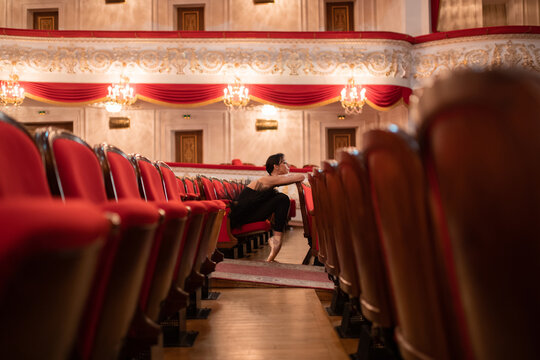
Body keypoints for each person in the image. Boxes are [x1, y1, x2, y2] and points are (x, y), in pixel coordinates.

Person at [230, 153, 305, 262]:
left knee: (281, 198)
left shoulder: (271, 180)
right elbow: (301, 177)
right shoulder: (268, 180)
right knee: (282, 198)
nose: (288, 165)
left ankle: (276, 240)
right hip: (242, 217)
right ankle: (277, 239)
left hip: (250, 213)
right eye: (284, 162)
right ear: (276, 166)